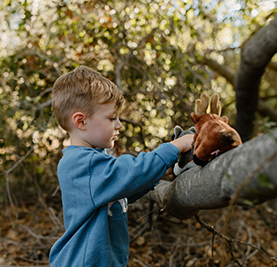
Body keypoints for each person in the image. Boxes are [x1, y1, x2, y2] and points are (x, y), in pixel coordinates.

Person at [49, 66, 194, 267]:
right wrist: (175, 147)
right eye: (111, 118)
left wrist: (165, 170)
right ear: (81, 121)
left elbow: (122, 190)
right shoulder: (80, 163)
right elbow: (130, 172)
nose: (119, 125)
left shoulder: (93, 160)